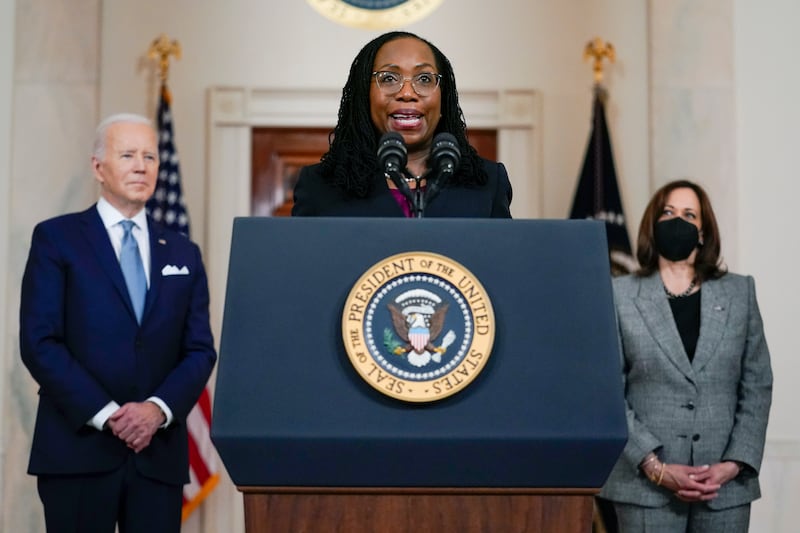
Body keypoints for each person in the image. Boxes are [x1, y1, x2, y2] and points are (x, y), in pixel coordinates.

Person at [19, 113, 217, 532]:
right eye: (127, 155)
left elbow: (199, 349)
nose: (141, 166)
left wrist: (155, 411)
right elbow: (41, 342)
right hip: (77, 452)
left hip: (157, 456)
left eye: (150, 156)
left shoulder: (183, 251)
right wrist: (110, 414)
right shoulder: (57, 239)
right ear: (98, 167)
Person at [599, 179, 772, 532]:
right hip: (644, 487)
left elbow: (757, 384)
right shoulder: (618, 294)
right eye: (668, 212)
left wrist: (734, 464)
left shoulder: (740, 292)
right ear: (653, 223)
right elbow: (607, 390)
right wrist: (653, 465)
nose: (678, 221)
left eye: (689, 214)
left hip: (725, 489)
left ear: (703, 232)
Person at [291, 30, 512, 217]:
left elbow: (502, 264)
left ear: (444, 98)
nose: (407, 93)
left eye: (424, 79)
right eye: (388, 78)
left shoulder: (488, 184)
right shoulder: (319, 187)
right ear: (363, 95)